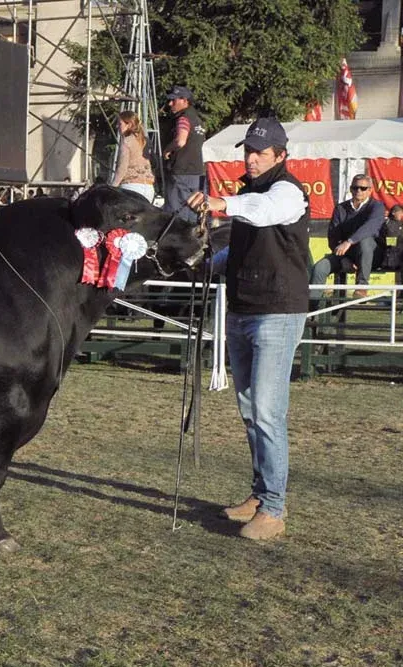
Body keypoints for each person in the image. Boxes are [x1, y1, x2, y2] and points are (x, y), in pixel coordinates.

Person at [186, 117, 309, 541]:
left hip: (276, 312)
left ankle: (274, 508)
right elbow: (241, 247)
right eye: (248, 151)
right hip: (242, 310)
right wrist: (207, 263)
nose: (251, 158)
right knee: (250, 412)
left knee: (268, 414)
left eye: (260, 152)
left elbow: (265, 213)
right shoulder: (246, 194)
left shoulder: (287, 192)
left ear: (280, 155)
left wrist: (221, 204)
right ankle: (260, 495)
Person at [309, 174, 385, 299]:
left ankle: (361, 287)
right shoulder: (340, 208)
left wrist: (349, 241)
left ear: (370, 190)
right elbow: (333, 236)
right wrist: (344, 258)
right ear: (350, 189)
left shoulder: (377, 206)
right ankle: (312, 310)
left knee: (365, 241)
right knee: (320, 268)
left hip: (372, 256)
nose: (359, 191)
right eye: (355, 188)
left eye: (363, 188)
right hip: (346, 255)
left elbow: (370, 227)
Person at [163, 85, 206, 221]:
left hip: (181, 172)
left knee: (176, 216)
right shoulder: (198, 120)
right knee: (194, 213)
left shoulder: (183, 118)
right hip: (198, 174)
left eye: (173, 100)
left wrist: (167, 149)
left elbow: (180, 140)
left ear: (184, 100)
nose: (170, 104)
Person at [111, 110, 156, 202]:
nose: (117, 126)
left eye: (120, 124)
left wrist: (112, 188)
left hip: (131, 187)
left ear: (129, 125)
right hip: (149, 188)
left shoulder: (126, 141)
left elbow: (122, 168)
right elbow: (155, 163)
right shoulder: (146, 141)